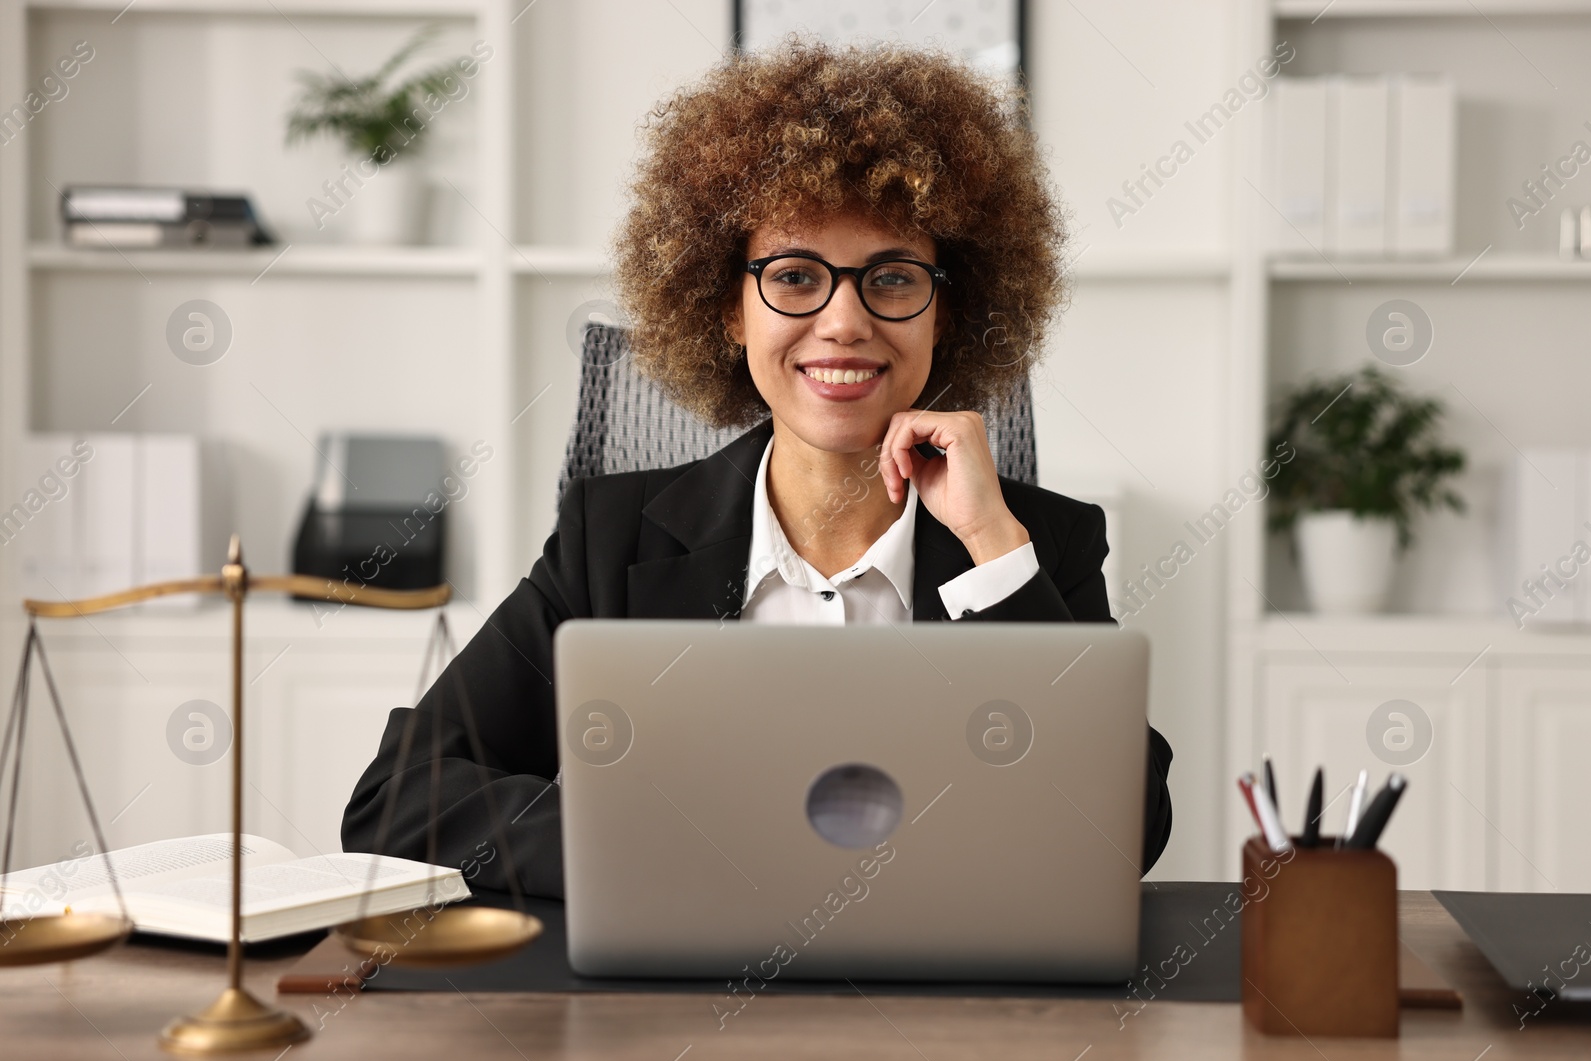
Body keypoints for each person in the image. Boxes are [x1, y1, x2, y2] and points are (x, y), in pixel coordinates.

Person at [342, 34, 1173, 896]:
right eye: (795, 275)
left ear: (946, 317)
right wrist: (664, 841)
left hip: (937, 1005)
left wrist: (995, 548)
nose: (845, 321)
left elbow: (1123, 828)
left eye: (890, 278)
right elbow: (398, 799)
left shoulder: (1038, 548)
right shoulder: (609, 541)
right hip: (672, 1011)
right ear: (729, 309)